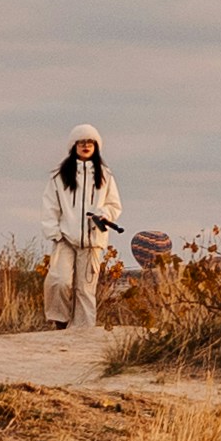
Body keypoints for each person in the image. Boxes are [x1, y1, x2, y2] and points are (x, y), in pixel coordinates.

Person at [46, 131, 127, 331]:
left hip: (93, 240)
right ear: (73, 146)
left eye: (90, 142)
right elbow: (50, 206)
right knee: (59, 281)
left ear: (96, 146)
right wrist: (54, 233)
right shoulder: (59, 176)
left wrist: (103, 214)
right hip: (64, 238)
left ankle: (83, 332)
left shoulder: (105, 175)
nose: (86, 145)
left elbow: (114, 205)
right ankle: (60, 323)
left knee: (85, 289)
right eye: (81, 142)